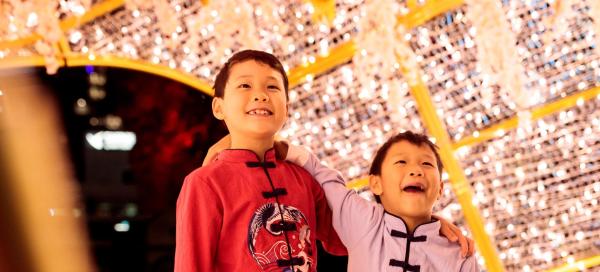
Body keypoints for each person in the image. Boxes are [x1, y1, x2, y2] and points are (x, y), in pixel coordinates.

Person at [174, 49, 347, 272]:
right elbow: (191, 266)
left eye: (272, 87)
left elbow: (352, 237)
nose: (261, 95)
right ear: (219, 107)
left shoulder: (304, 178)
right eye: (245, 85)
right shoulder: (205, 183)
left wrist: (303, 157)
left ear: (286, 109)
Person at [285, 131, 480, 271]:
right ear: (376, 184)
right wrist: (289, 151)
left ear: (440, 189)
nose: (416, 170)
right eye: (401, 162)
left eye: (427, 164)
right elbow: (323, 177)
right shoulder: (364, 221)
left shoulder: (460, 255)